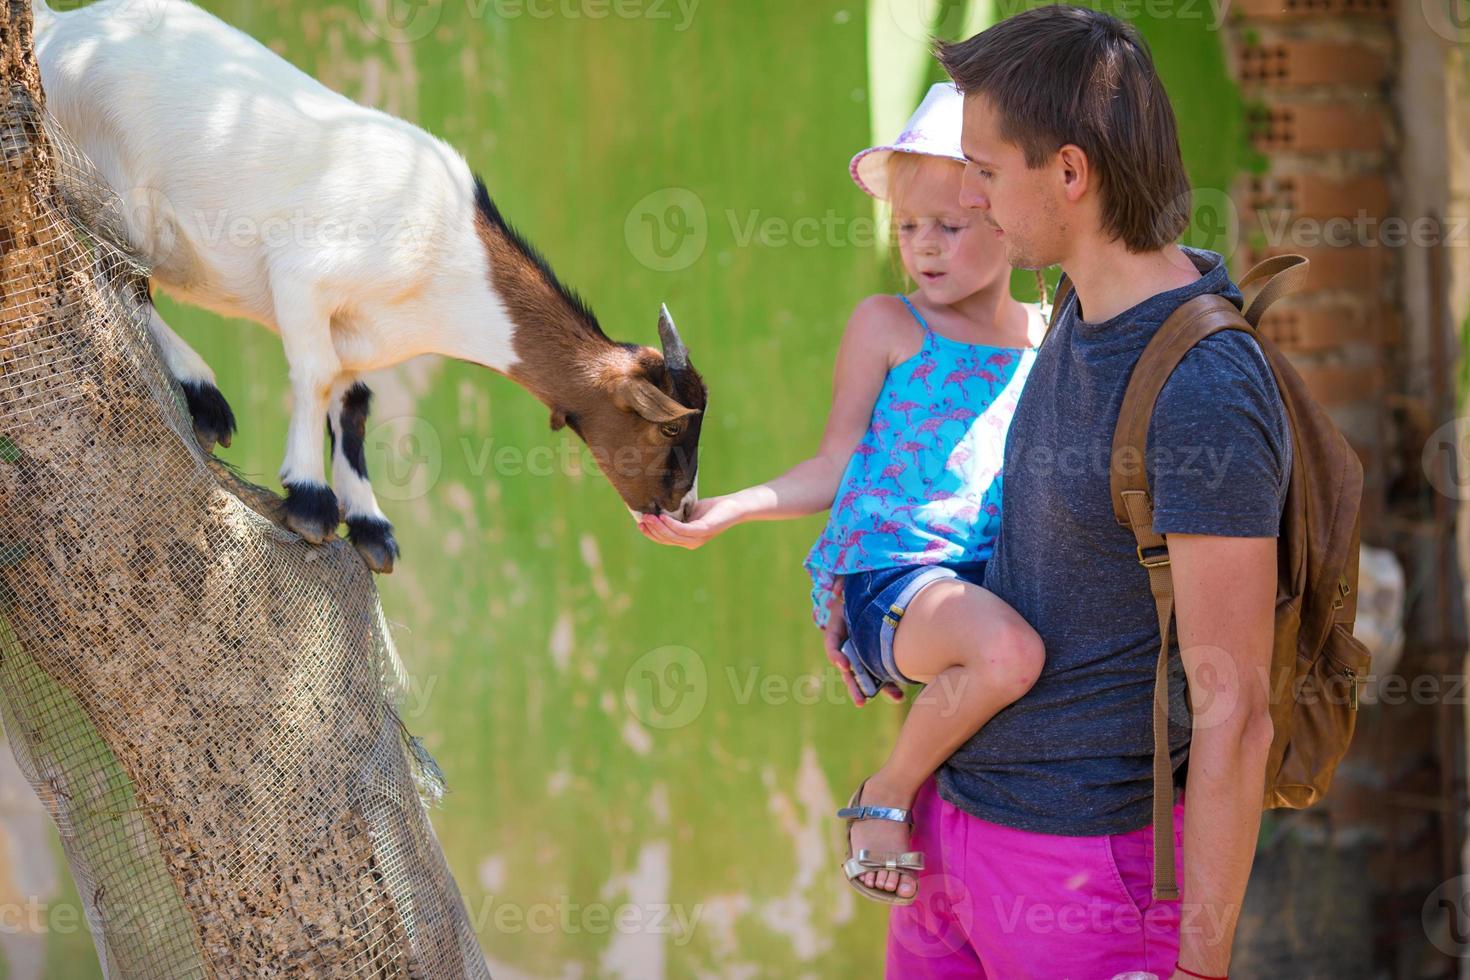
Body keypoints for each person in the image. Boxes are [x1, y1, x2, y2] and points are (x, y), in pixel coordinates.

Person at [857, 7, 1291, 978]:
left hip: (1087, 879)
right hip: (953, 836)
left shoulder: (1205, 387)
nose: (969, 197)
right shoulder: (1069, 308)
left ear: (1068, 173)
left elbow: (1238, 711)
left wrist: (1200, 963)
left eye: (985, 169)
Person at [639, 83, 1047, 907]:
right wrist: (734, 509)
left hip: (988, 576)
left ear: (1008, 221)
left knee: (1024, 649)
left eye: (949, 226)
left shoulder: (1048, 333)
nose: (922, 248)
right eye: (906, 227)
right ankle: (883, 792)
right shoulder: (889, 325)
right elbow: (837, 462)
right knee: (1010, 655)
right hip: (894, 581)